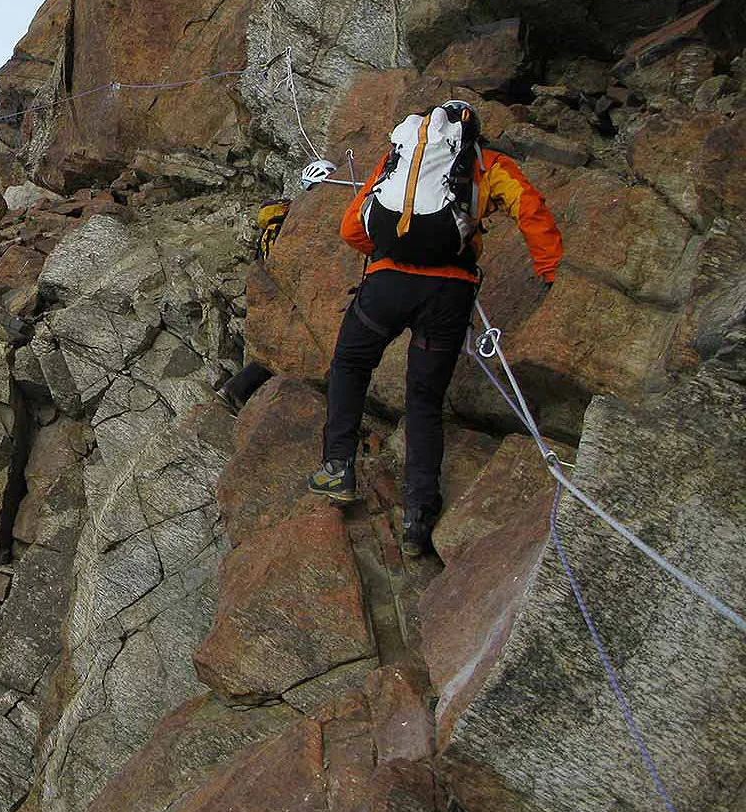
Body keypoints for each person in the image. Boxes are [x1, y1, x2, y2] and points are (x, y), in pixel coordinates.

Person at [306, 100, 563, 557]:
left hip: (386, 285)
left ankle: (337, 466)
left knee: (350, 364)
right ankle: (417, 518)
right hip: (449, 292)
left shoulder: (401, 156)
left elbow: (352, 228)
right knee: (423, 400)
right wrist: (550, 270)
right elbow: (531, 208)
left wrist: (386, 252)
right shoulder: (488, 164)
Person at [215, 196, 290, 413]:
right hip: (282, 302)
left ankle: (237, 393)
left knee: (273, 353)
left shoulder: (269, 233)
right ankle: (237, 392)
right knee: (279, 353)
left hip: (267, 301)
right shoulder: (284, 230)